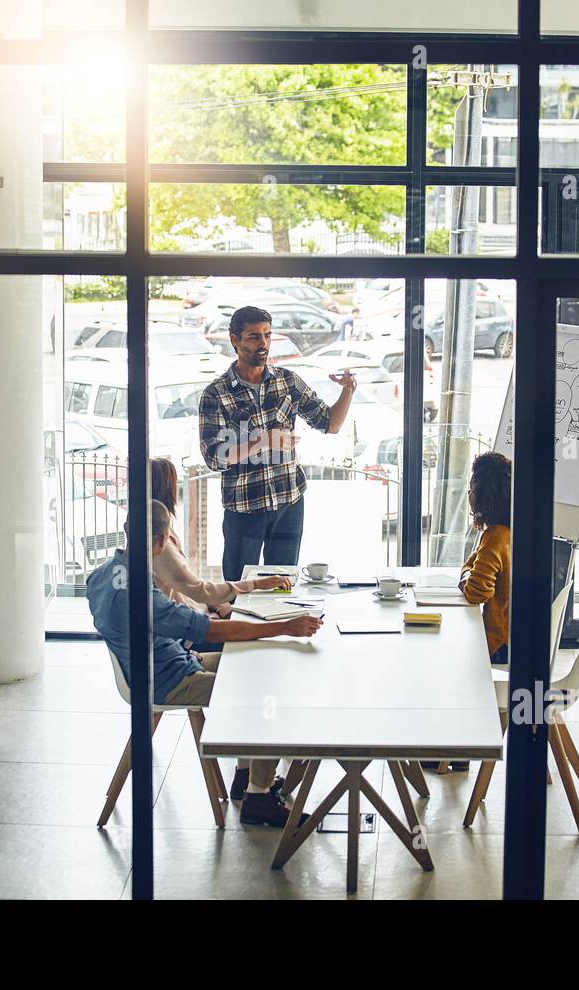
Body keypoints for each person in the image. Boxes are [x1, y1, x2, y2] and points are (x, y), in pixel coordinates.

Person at [86, 499, 323, 827]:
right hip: (169, 681)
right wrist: (285, 627)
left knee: (255, 662)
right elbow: (211, 630)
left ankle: (247, 776)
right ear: (162, 540)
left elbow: (142, 632)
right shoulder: (141, 595)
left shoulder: (101, 576)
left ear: (127, 530)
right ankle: (258, 797)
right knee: (268, 694)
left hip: (161, 665)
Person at [199, 305, 357, 582]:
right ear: (234, 339)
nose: (263, 343)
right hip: (244, 507)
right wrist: (263, 441)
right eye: (254, 336)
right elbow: (214, 457)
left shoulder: (287, 382)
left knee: (283, 587)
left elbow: (329, 424)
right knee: (239, 588)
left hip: (288, 502)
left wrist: (348, 391)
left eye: (267, 335)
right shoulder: (216, 393)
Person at [149, 456, 292, 616]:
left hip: (195, 610)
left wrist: (217, 605)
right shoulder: (161, 543)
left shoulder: (153, 530)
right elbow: (198, 590)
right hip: (187, 621)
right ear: (170, 489)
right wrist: (255, 584)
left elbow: (190, 589)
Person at [460, 451, 512, 666]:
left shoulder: (496, 537)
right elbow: (472, 563)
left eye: (471, 490)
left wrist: (465, 577)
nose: (469, 495)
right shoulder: (508, 531)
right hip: (512, 639)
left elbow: (475, 593)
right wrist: (468, 572)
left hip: (498, 643)